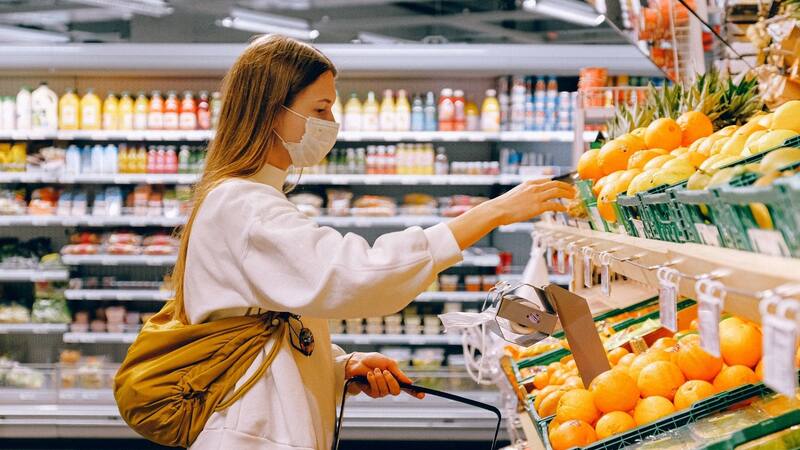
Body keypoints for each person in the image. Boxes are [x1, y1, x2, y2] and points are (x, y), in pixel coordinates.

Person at [175, 35, 575, 450]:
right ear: (271, 110)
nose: (331, 122)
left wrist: (338, 367)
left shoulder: (249, 198)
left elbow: (264, 332)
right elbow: (352, 274)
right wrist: (492, 212)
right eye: (320, 109)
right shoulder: (243, 205)